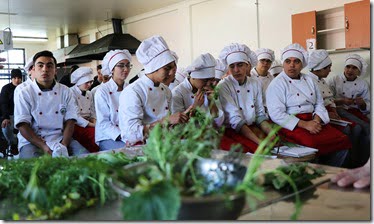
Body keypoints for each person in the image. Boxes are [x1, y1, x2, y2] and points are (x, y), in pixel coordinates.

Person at [266, 43, 350, 167]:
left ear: (302, 65)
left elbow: (319, 103)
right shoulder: (276, 84)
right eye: (288, 61)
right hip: (292, 125)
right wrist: (304, 124)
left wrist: (316, 120)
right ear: (283, 63)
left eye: (296, 61)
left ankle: (331, 171)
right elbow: (276, 114)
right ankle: (318, 172)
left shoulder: (309, 80)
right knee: (312, 144)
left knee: (343, 140)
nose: (292, 65)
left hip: (313, 120)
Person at [14, 50, 88, 158]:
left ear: (55, 70)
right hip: (32, 141)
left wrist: (64, 144)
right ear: (34, 69)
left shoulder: (65, 91)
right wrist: (43, 146)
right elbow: (22, 125)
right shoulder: (25, 93)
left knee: (85, 158)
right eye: (40, 66)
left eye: (49, 66)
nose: (45, 69)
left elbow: (70, 120)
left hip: (59, 138)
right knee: (31, 169)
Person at [119, 35, 189, 145]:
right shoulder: (133, 92)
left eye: (173, 67)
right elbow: (131, 134)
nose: (171, 73)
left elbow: (168, 125)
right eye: (167, 69)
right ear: (153, 68)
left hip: (166, 144)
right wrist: (167, 121)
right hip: (144, 147)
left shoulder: (166, 91)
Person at [307, 50, 369, 168]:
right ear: (320, 67)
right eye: (328, 68)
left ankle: (357, 162)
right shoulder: (311, 81)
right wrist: (332, 111)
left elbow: (329, 100)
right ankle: (348, 164)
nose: (330, 70)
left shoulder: (322, 80)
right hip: (323, 115)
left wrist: (335, 111)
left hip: (333, 112)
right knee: (351, 130)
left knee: (362, 128)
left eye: (354, 68)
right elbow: (317, 104)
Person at [217, 43, 274, 153]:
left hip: (252, 126)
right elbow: (235, 120)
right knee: (258, 151)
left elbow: (259, 113)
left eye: (240, 65)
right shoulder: (223, 86)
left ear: (247, 65)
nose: (236, 70)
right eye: (232, 66)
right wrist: (259, 142)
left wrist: (271, 133)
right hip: (234, 130)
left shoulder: (255, 83)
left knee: (275, 143)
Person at [171, 53, 224, 127]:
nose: (208, 84)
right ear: (193, 77)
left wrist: (211, 102)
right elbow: (177, 127)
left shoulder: (209, 91)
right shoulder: (177, 94)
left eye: (211, 80)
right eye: (205, 80)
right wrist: (196, 107)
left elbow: (218, 123)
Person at [95, 49, 132, 151]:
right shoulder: (102, 91)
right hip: (109, 136)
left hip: (129, 134)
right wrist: (123, 136)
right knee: (129, 153)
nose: (126, 69)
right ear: (112, 69)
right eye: (121, 65)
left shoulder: (130, 89)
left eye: (128, 65)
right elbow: (104, 123)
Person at [327, 54, 370, 135]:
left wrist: (362, 104)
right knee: (364, 127)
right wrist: (342, 101)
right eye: (348, 67)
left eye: (354, 68)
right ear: (344, 67)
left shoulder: (363, 84)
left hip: (356, 111)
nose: (350, 70)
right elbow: (327, 101)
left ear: (359, 71)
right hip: (339, 111)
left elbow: (368, 105)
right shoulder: (335, 79)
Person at [70, 67, 99, 153]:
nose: (89, 85)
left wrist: (94, 121)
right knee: (94, 135)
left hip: (89, 122)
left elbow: (93, 111)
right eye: (87, 83)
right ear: (79, 83)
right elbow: (75, 116)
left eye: (91, 82)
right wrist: (92, 125)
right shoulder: (70, 92)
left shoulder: (89, 93)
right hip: (76, 124)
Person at [0, 69, 23, 155]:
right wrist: (5, 117)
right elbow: (3, 103)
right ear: (11, 78)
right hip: (10, 115)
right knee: (6, 127)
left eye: (19, 78)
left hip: (22, 114)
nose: (17, 80)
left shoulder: (24, 88)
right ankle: (13, 144)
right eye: (15, 78)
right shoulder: (6, 89)